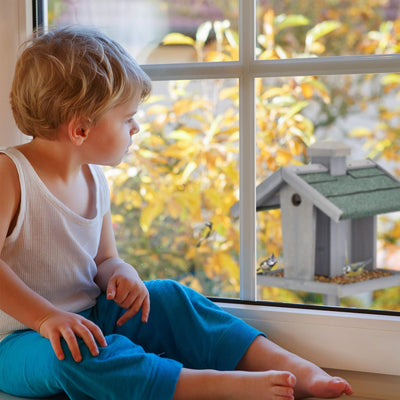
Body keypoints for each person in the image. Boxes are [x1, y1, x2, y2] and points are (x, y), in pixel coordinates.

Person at [0, 26, 353, 400]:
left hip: (91, 318)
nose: (135, 128)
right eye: (127, 119)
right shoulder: (11, 174)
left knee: (169, 297)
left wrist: (121, 273)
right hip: (19, 341)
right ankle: (208, 386)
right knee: (73, 357)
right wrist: (45, 318)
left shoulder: (94, 178)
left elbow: (104, 259)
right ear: (81, 129)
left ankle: (289, 365)